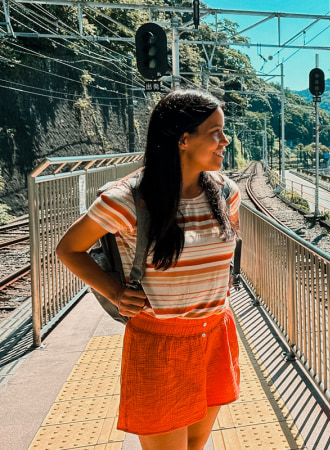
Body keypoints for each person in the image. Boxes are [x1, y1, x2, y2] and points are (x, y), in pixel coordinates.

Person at [56, 89, 241, 450]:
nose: (225, 140)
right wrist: (114, 292)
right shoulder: (126, 199)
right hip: (160, 343)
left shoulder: (225, 191)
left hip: (216, 333)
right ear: (183, 139)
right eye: (215, 132)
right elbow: (69, 248)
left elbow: (227, 239)